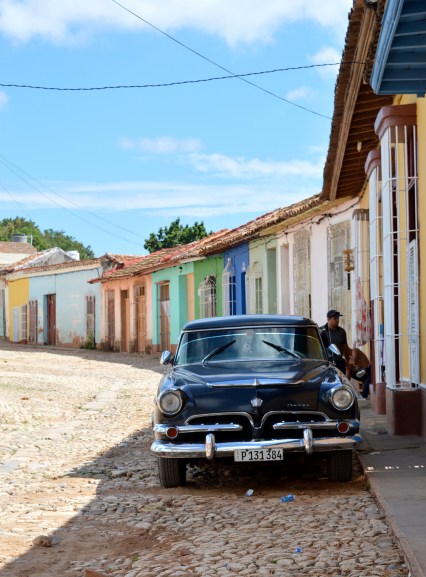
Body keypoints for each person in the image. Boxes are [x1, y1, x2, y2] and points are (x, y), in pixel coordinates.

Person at [320, 309, 348, 374]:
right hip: (326, 363)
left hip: (339, 363)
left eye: (338, 318)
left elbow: (345, 347)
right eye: (335, 318)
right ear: (328, 319)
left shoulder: (342, 331)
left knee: (341, 382)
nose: (337, 320)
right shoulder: (321, 331)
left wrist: (348, 362)